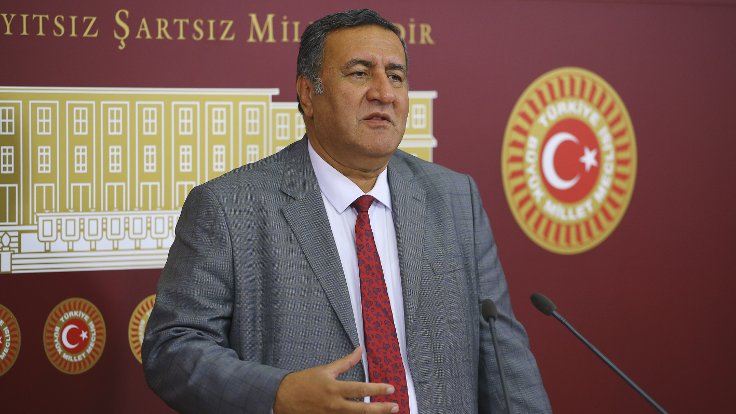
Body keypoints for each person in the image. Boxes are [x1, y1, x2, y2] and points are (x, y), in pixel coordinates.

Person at [142, 8, 551, 414]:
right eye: (359, 73)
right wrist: (277, 394)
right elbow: (173, 347)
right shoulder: (229, 206)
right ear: (308, 93)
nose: (384, 93)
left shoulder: (455, 198)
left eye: (396, 76)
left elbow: (505, 360)